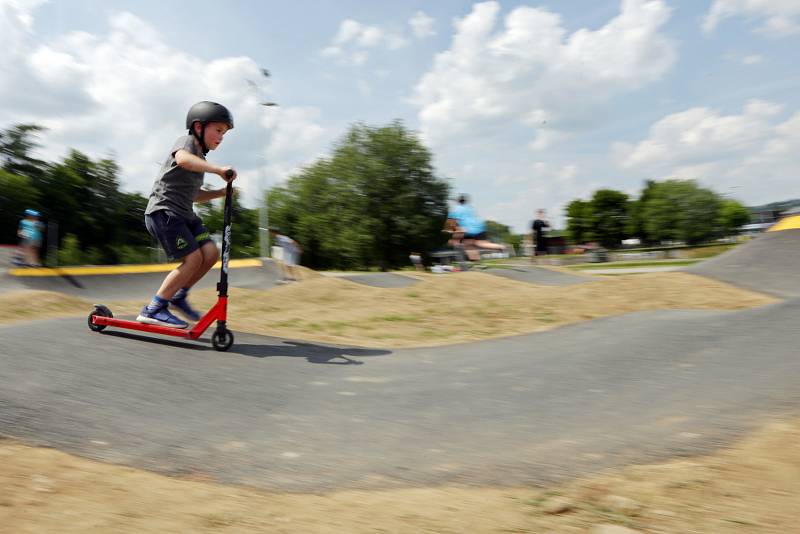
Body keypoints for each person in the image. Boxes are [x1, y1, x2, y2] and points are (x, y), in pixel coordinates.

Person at [136, 101, 237, 328]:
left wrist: (220, 193)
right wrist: (219, 170)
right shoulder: (186, 142)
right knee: (193, 260)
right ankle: (154, 308)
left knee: (210, 253)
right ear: (199, 127)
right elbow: (182, 160)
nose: (221, 137)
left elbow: (194, 195)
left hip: (184, 214)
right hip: (164, 212)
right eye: (218, 130)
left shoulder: (201, 160)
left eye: (224, 133)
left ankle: (178, 295)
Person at [445, 194, 505, 261]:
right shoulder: (469, 208)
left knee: (464, 243)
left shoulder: (455, 210)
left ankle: (472, 260)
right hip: (480, 227)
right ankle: (499, 247)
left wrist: (453, 239)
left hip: (468, 229)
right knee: (481, 244)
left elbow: (450, 226)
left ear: (458, 202)